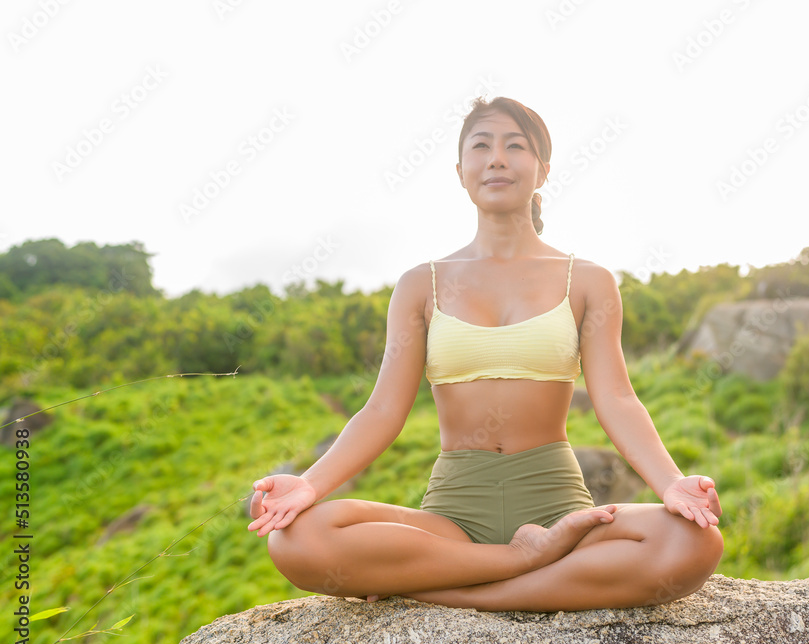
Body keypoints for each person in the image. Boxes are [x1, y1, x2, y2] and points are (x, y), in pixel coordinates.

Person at [247, 97, 723, 612]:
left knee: (694, 542)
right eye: (481, 145)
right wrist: (308, 486)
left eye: (515, 146)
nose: (497, 158)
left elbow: (617, 398)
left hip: (559, 507)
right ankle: (522, 563)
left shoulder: (587, 281)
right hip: (452, 516)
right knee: (297, 539)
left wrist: (673, 484)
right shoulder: (420, 285)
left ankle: (451, 590)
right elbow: (382, 409)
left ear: (542, 170)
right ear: (460, 171)